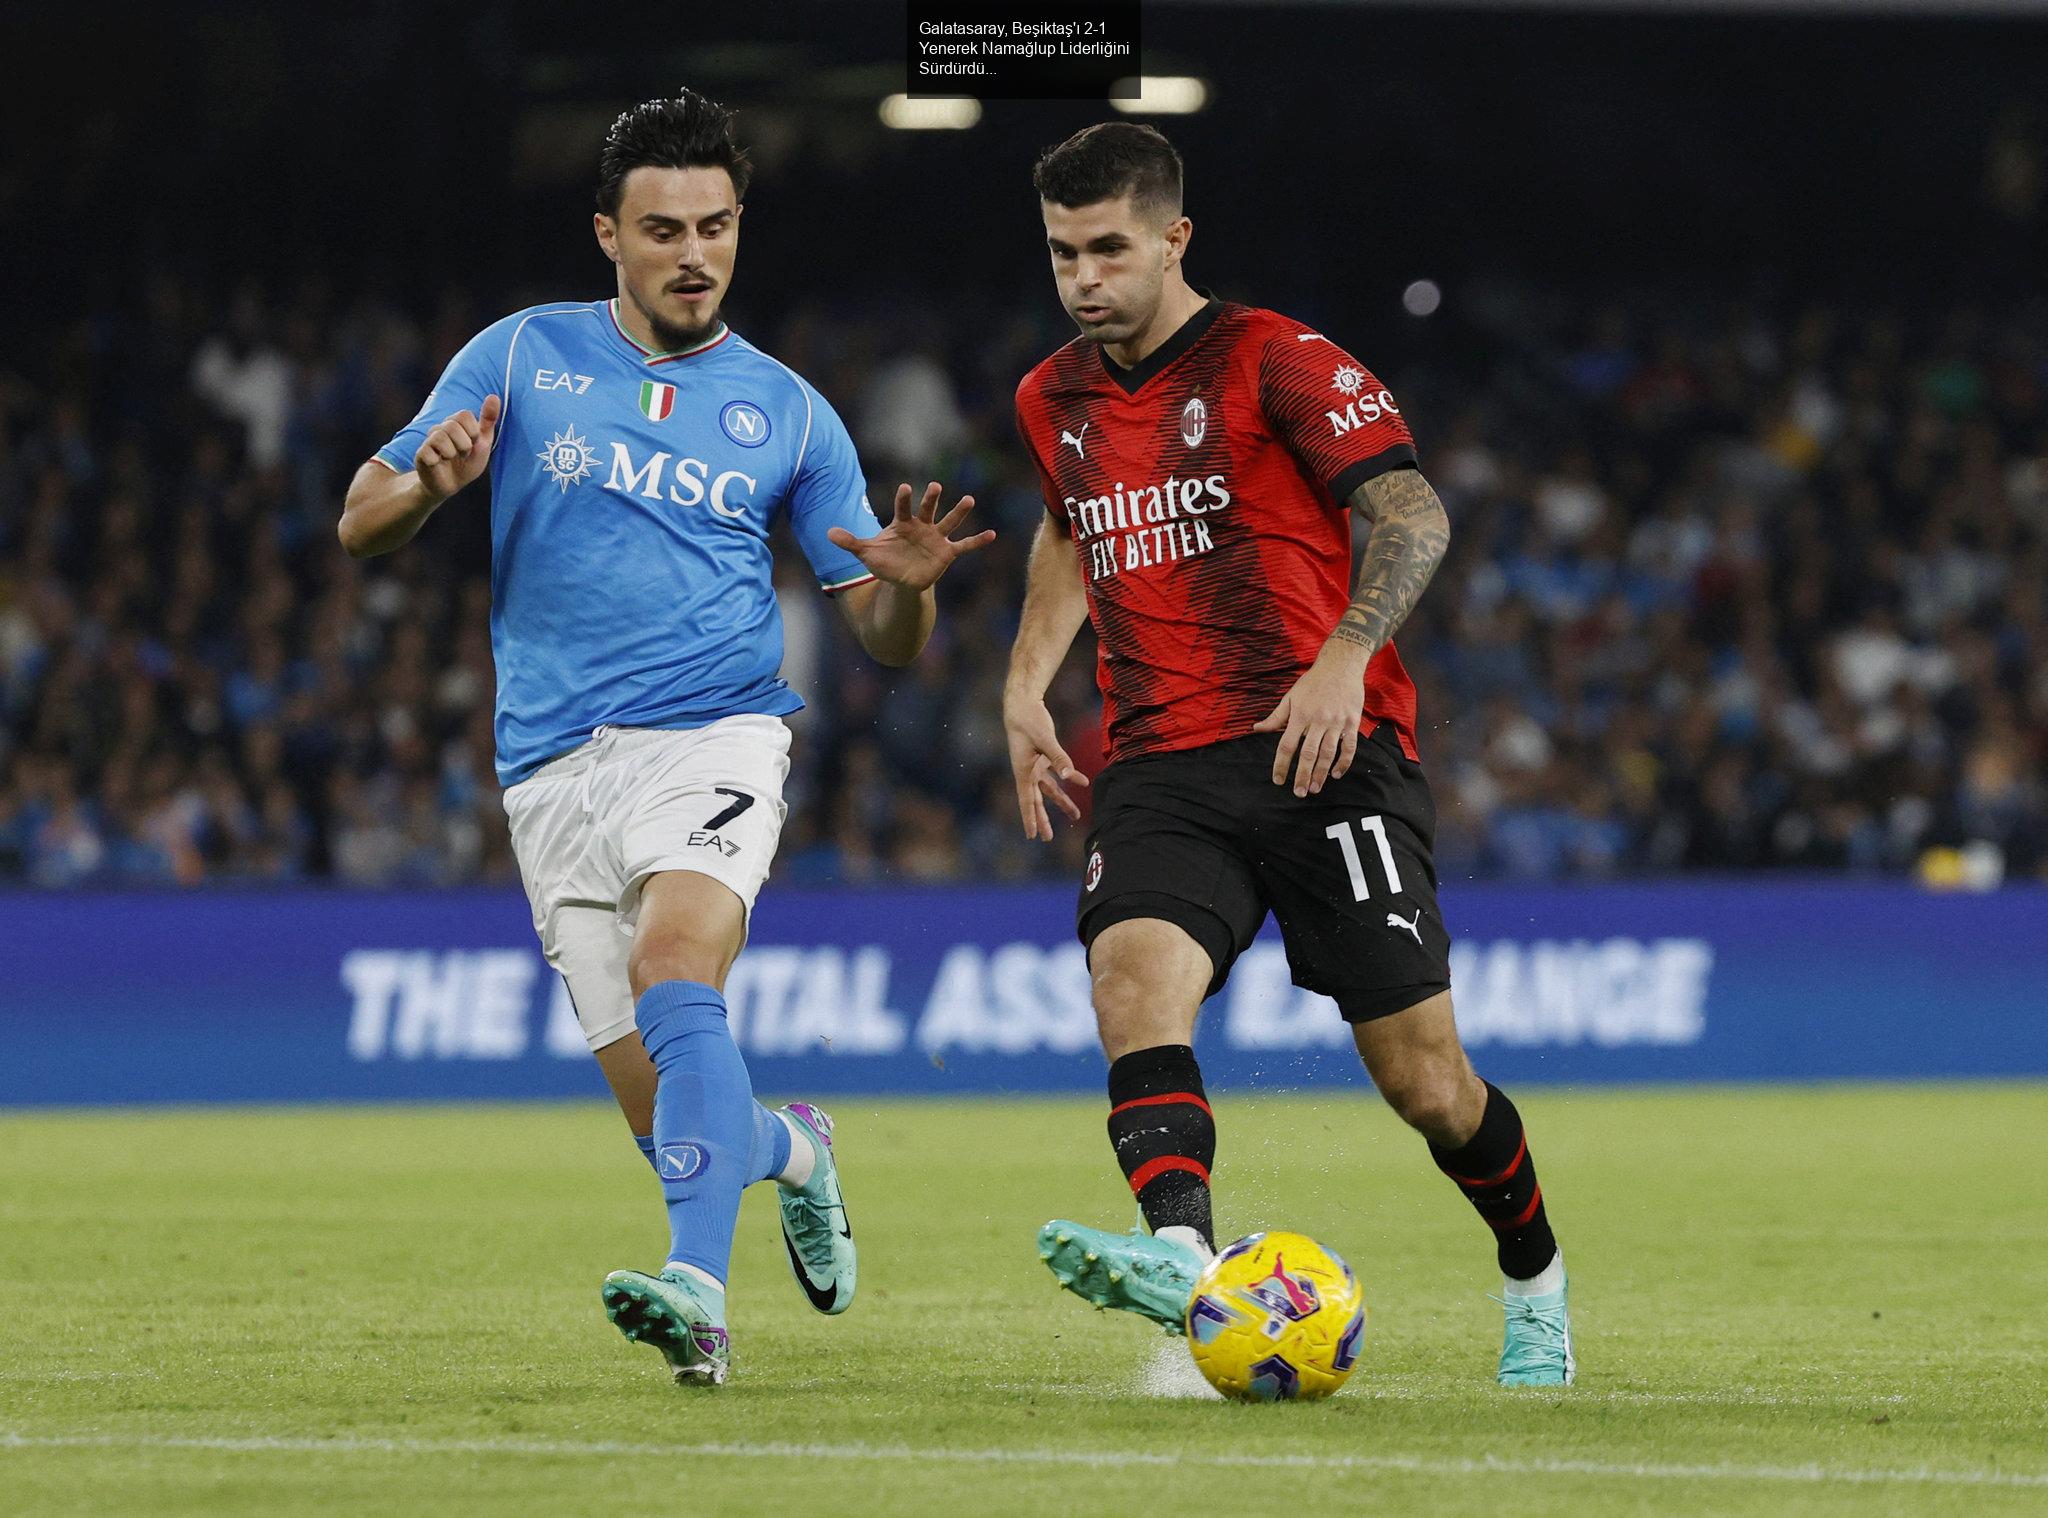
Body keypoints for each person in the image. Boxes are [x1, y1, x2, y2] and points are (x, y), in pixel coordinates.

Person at [338, 89, 990, 1386]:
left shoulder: (795, 415)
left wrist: (908, 587)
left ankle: (695, 1292)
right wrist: (427, 485)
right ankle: (795, 1148)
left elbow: (884, 639)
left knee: (677, 962)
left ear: (740, 226)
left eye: (715, 224)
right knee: (673, 1117)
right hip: (547, 772)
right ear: (607, 235)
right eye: (662, 227)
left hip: (715, 736)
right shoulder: (520, 357)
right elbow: (362, 518)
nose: (694, 252)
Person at [1003, 122, 1573, 1386]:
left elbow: (1410, 511)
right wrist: (1024, 684)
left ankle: (1533, 1273)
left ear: (1172, 238)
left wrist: (1341, 658)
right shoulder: (1053, 397)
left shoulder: (1275, 359)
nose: (1083, 277)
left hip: (1326, 751)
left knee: (1426, 1085)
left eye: (1107, 249)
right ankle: (1186, 1268)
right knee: (1130, 989)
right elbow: (1064, 524)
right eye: (1060, 254)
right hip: (1158, 757)